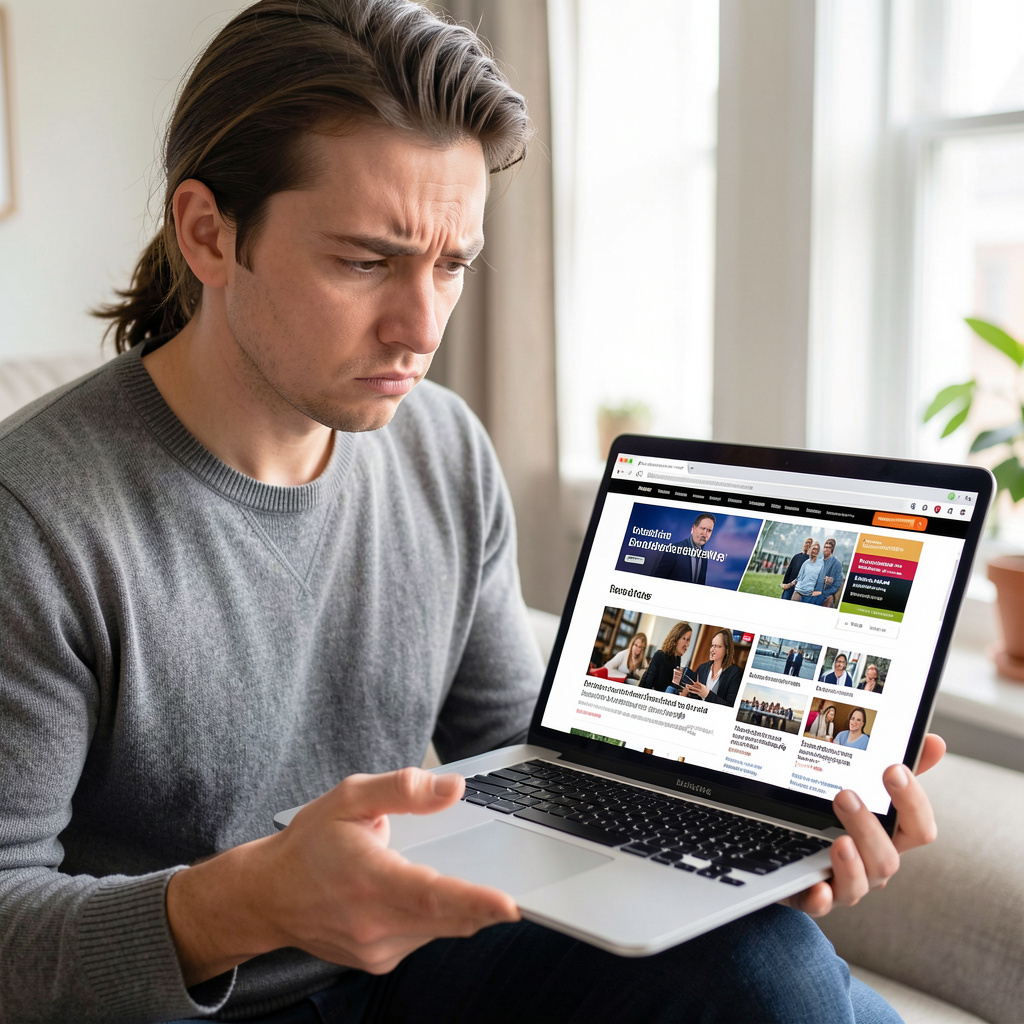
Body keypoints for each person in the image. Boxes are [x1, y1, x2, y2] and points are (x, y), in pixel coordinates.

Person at [0, 2, 947, 1022]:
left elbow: (515, 755)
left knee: (769, 960)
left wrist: (736, 824)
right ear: (208, 233)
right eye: (366, 260)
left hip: (418, 966)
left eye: (452, 265)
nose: (421, 327)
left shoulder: (442, 446)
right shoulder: (36, 515)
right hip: (196, 1004)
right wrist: (248, 902)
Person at [652, 511, 716, 585]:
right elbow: (658, 581)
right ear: (693, 528)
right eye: (702, 528)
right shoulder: (674, 549)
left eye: (709, 530)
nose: (705, 533)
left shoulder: (704, 556)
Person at [683, 629, 743, 708]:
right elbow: (695, 698)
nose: (712, 650)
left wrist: (707, 694)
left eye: (718, 646)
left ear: (727, 650)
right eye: (712, 645)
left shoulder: (735, 673)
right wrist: (687, 692)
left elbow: (730, 706)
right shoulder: (702, 668)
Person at [638, 622, 695, 693]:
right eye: (684, 639)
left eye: (688, 640)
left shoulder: (677, 659)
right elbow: (646, 685)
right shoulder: (660, 655)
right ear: (675, 638)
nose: (687, 644)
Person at [817, 537, 845, 608]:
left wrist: (824, 593)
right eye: (825, 547)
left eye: (828, 547)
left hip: (826, 595)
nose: (826, 549)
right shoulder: (818, 561)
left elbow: (837, 584)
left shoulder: (837, 564)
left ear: (832, 549)